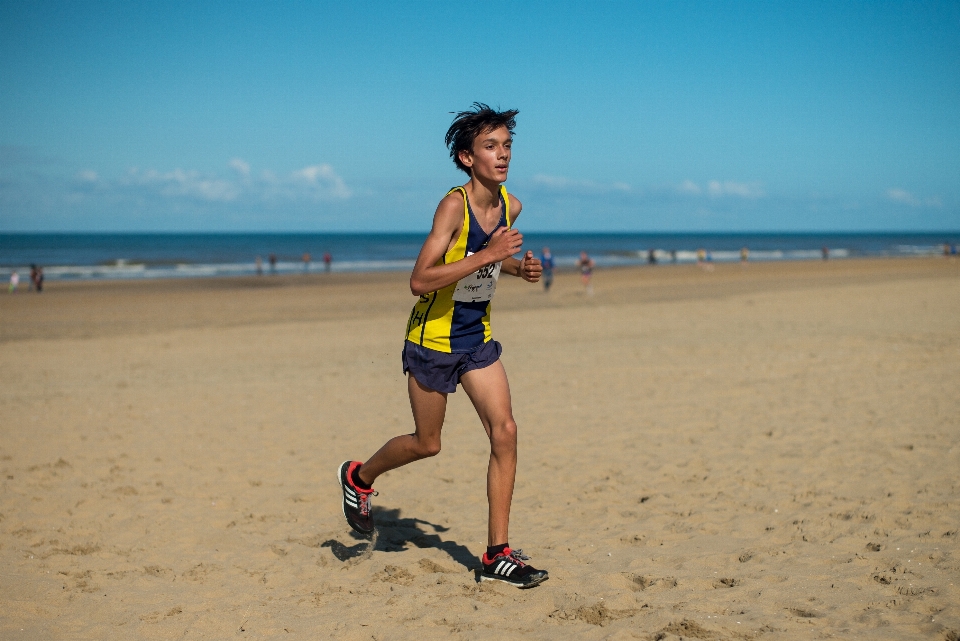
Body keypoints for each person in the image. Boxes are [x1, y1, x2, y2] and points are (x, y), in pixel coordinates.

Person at [337, 103, 548, 588]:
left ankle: (498, 554)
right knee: (427, 444)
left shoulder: (511, 206)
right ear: (466, 158)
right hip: (431, 340)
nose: (502, 156)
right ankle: (359, 477)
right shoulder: (453, 206)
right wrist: (493, 254)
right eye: (490, 147)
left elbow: (489, 264)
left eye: (507, 145)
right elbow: (419, 280)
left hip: (477, 339)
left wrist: (518, 267)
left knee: (506, 431)